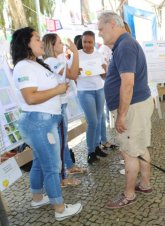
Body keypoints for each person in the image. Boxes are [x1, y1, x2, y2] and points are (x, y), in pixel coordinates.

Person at [11, 27, 82, 221]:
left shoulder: (36, 64)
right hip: (39, 122)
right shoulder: (23, 66)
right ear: (26, 43)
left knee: (41, 163)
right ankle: (59, 208)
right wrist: (58, 89)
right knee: (52, 166)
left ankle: (37, 197)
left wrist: (58, 88)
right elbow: (30, 97)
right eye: (36, 39)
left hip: (43, 121)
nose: (41, 42)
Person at [98, 11, 154, 209]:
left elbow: (127, 83)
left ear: (112, 24)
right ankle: (145, 184)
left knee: (130, 153)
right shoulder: (124, 44)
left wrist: (121, 116)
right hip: (137, 105)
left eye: (101, 29)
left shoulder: (125, 45)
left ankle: (129, 194)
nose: (100, 34)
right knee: (139, 148)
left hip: (132, 108)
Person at [42, 33, 86, 186]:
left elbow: (72, 73)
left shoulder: (57, 59)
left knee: (62, 140)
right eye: (59, 43)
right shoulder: (51, 61)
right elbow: (73, 74)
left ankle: (68, 167)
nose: (63, 45)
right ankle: (62, 178)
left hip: (62, 104)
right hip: (58, 106)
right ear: (52, 47)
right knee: (60, 142)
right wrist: (74, 51)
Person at [77, 30, 109, 164]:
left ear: (94, 42)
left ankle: (96, 147)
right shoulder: (77, 55)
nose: (87, 45)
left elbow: (104, 76)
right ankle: (90, 151)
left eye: (90, 42)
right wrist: (76, 71)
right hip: (85, 91)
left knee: (100, 119)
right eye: (85, 42)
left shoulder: (98, 55)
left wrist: (104, 70)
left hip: (99, 89)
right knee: (93, 121)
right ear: (82, 41)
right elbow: (72, 74)